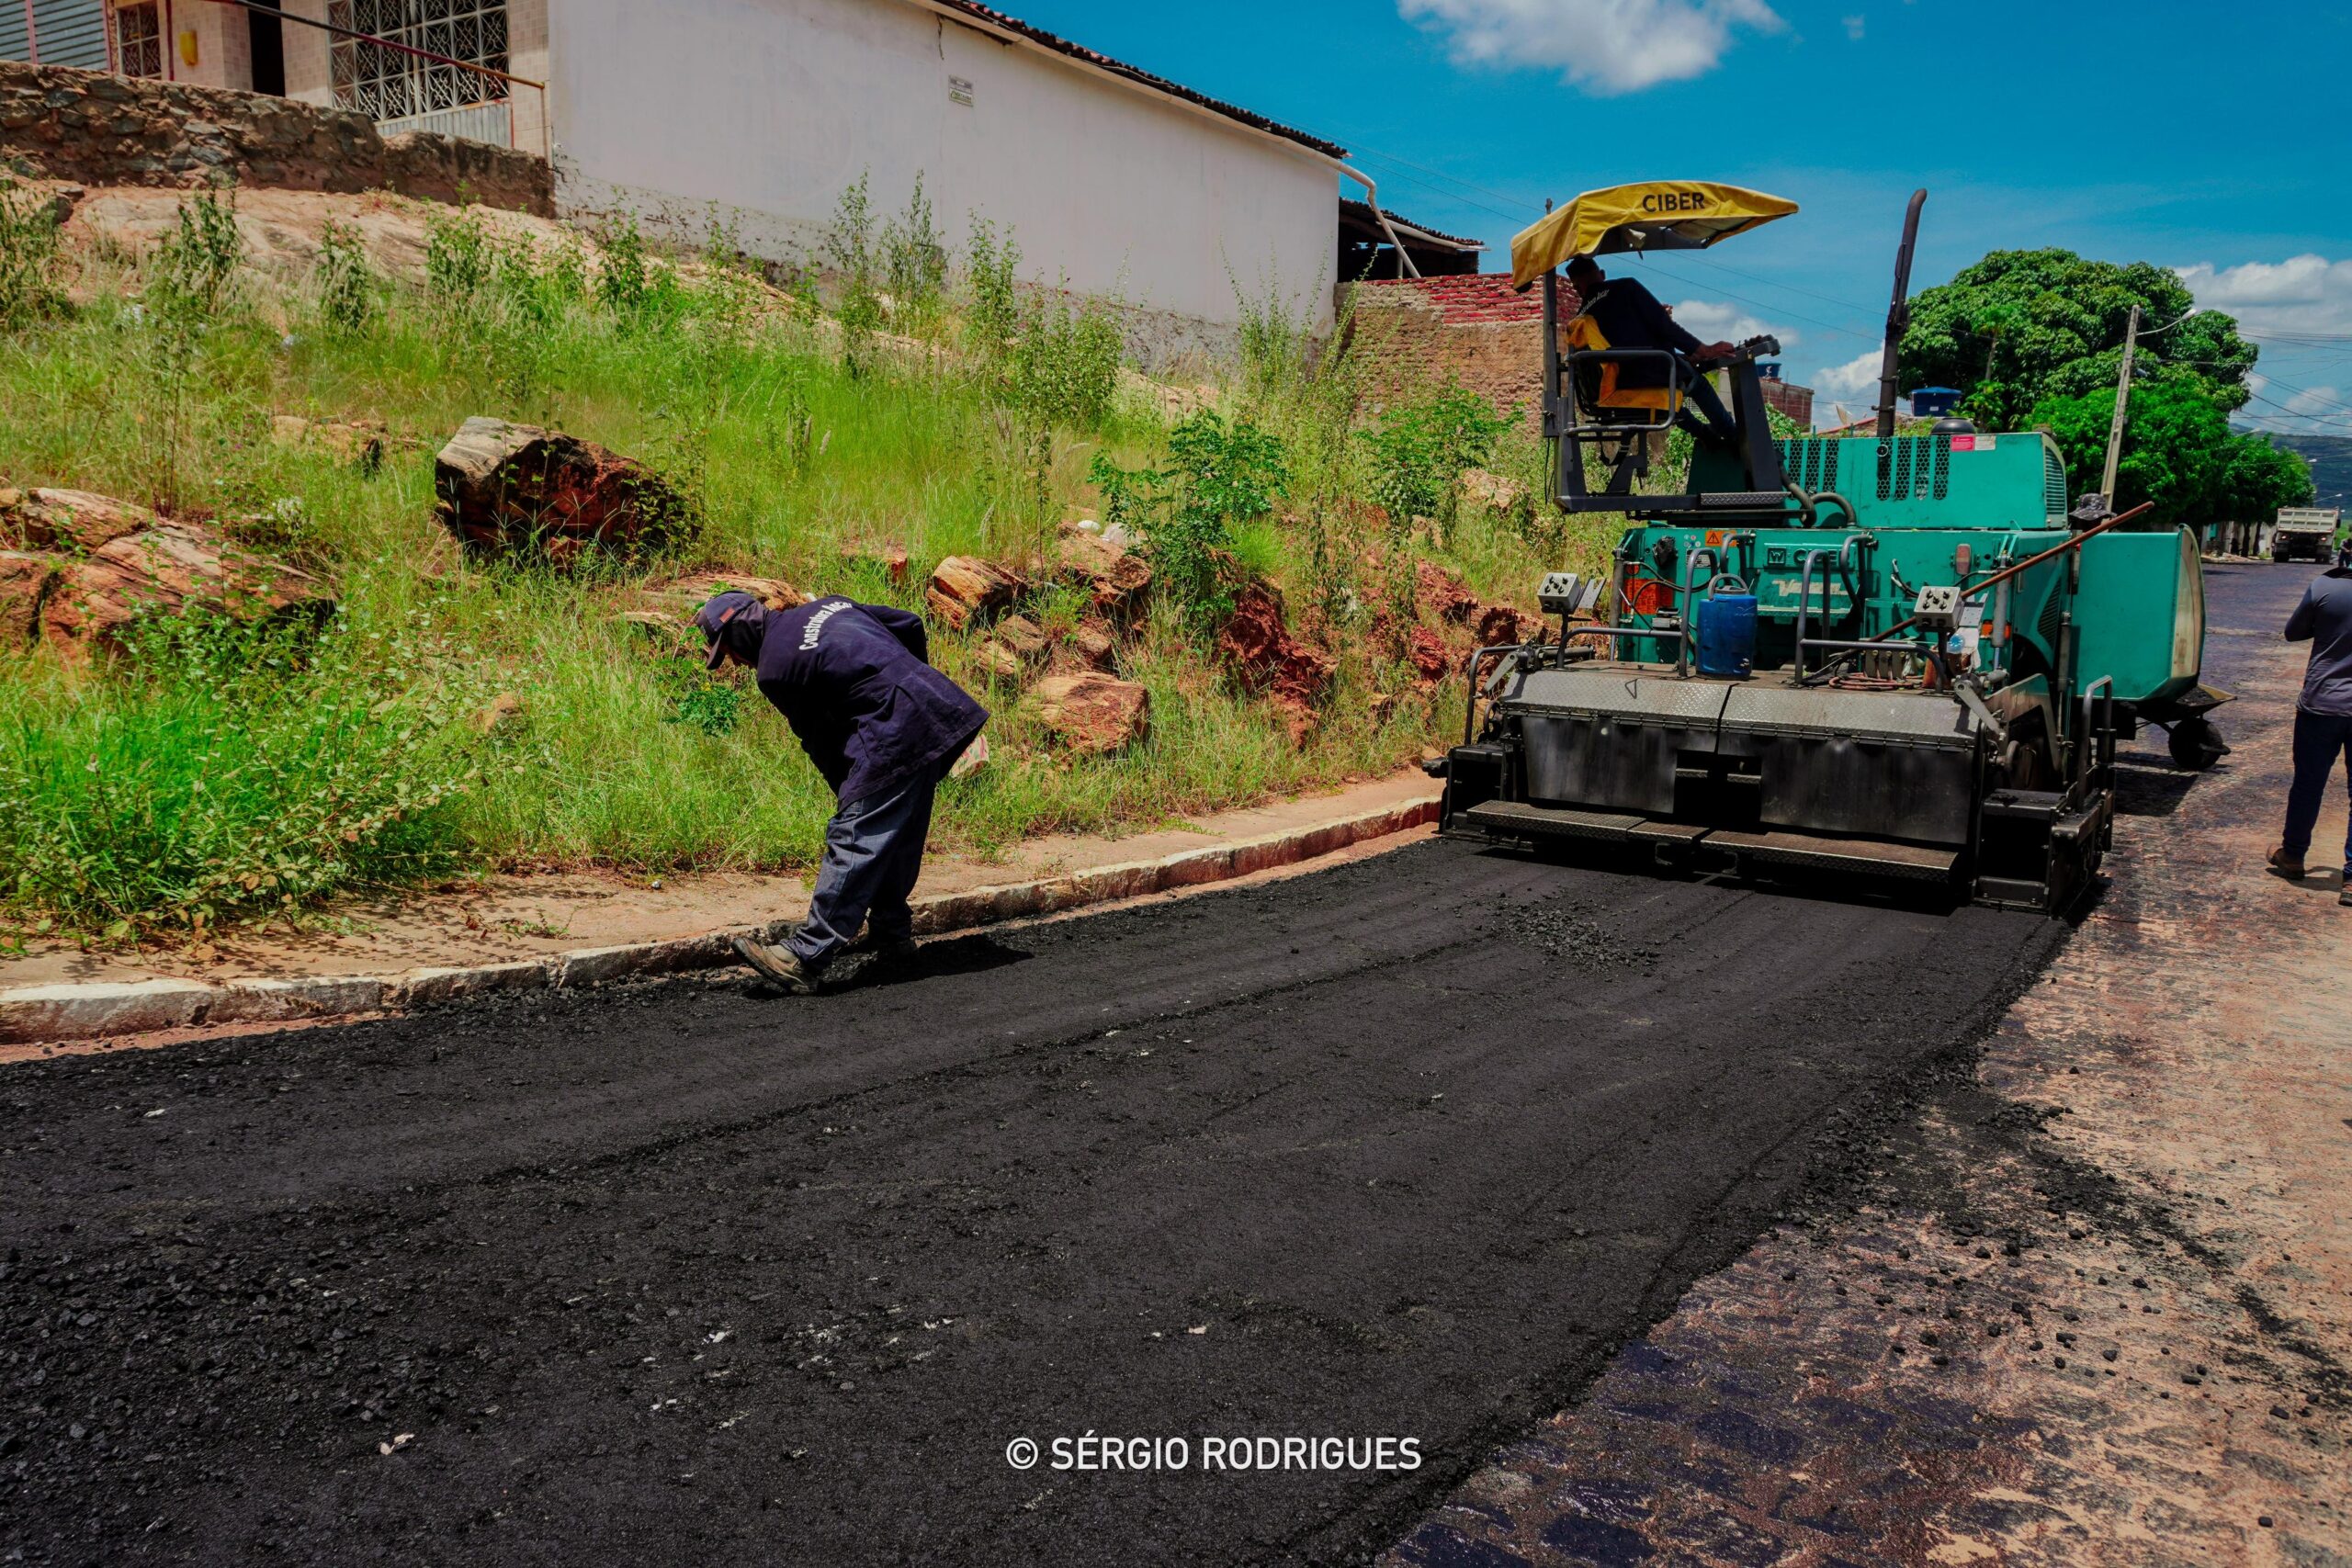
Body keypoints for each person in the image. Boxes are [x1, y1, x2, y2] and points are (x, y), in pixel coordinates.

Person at [697, 589, 989, 992]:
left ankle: (805, 956)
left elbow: (819, 738)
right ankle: (891, 932)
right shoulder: (829, 605)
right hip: (934, 709)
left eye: (728, 650)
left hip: (895, 730)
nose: (735, 661)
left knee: (855, 835)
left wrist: (849, 794)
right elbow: (909, 623)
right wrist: (913, 684)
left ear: (740, 632)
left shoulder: (774, 668)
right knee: (896, 833)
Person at [1565, 254, 1742, 446]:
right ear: (1602, 274)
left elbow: (1618, 348)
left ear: (1577, 287)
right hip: (1652, 374)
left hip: (1620, 385)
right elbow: (1664, 325)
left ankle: (1707, 438)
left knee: (1673, 398)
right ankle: (1734, 438)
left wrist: (1682, 356)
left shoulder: (1580, 317)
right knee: (1697, 383)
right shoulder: (1626, 287)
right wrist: (1703, 350)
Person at [2270, 540, 2352, 905]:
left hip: (2321, 704)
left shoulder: (2324, 586)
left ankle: (2293, 855)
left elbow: (2293, 632)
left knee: (2308, 784)